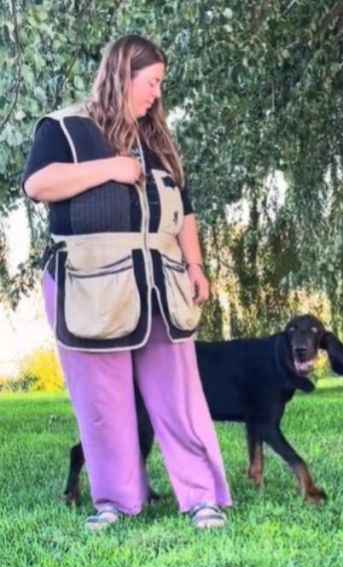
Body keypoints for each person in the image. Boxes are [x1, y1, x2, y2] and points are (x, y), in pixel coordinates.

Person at [22, 35, 231, 530]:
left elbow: (186, 209)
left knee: (178, 394)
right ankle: (115, 501)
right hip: (89, 284)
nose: (157, 94)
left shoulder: (157, 139)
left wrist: (195, 266)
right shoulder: (65, 127)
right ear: (123, 73)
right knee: (102, 399)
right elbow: (37, 185)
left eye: (160, 84)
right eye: (151, 82)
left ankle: (201, 497)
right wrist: (110, 169)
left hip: (161, 282)